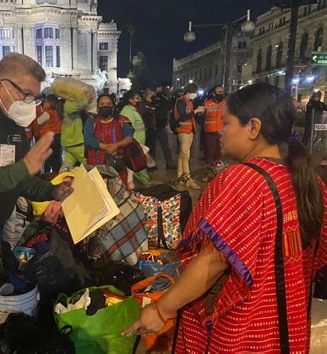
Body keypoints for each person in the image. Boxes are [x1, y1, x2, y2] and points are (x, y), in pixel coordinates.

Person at [124, 82, 327, 352]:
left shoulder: (243, 179)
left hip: (240, 331)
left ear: (253, 128)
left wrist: (161, 309)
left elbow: (211, 262)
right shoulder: (310, 181)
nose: (220, 129)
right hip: (285, 329)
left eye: (227, 122)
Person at [0, 53, 72, 354]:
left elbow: (20, 180)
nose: (31, 103)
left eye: (35, 96)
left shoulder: (16, 127)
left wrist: (51, 191)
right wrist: (25, 168)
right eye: (25, 94)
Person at [84, 94, 134, 187]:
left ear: (113, 106)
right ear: (98, 107)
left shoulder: (123, 120)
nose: (105, 106)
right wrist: (106, 147)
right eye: (102, 104)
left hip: (118, 166)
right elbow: (87, 139)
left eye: (108, 104)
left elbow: (129, 137)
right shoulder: (91, 121)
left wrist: (116, 145)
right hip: (96, 167)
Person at [173, 83, 205, 189]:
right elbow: (182, 117)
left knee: (182, 155)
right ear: (188, 92)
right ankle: (187, 178)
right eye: (193, 93)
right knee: (185, 156)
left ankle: (180, 177)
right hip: (183, 131)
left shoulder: (189, 102)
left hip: (189, 131)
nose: (194, 95)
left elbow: (189, 115)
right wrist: (195, 111)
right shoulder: (181, 102)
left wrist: (196, 111)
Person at [120, 90, 150, 188]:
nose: (139, 100)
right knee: (139, 167)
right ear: (130, 100)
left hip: (138, 145)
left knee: (138, 167)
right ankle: (146, 187)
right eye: (137, 98)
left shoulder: (132, 111)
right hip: (134, 146)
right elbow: (126, 129)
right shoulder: (127, 112)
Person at [201, 85, 227, 179]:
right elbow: (201, 117)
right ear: (213, 94)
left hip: (221, 132)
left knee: (218, 154)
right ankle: (208, 174)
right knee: (210, 154)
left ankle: (217, 174)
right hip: (210, 132)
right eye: (219, 92)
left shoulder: (225, 103)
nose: (221, 94)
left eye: (222, 92)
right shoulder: (207, 103)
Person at [38, 94, 63, 173]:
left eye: (46, 101)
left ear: (50, 103)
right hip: (58, 137)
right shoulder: (59, 112)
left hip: (49, 138)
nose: (44, 103)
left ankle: (47, 174)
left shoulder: (48, 113)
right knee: (56, 158)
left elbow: (39, 121)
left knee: (48, 158)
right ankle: (57, 174)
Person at [154, 85, 176, 169]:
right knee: (159, 146)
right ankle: (154, 164)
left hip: (161, 125)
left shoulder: (165, 99)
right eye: (168, 88)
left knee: (165, 146)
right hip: (157, 125)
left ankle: (169, 163)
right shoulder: (160, 99)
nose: (170, 90)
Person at [139, 88, 157, 170]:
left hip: (152, 128)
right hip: (145, 129)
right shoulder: (143, 104)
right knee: (146, 148)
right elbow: (140, 116)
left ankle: (151, 164)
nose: (152, 96)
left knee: (152, 147)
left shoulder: (152, 104)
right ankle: (145, 165)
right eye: (151, 94)